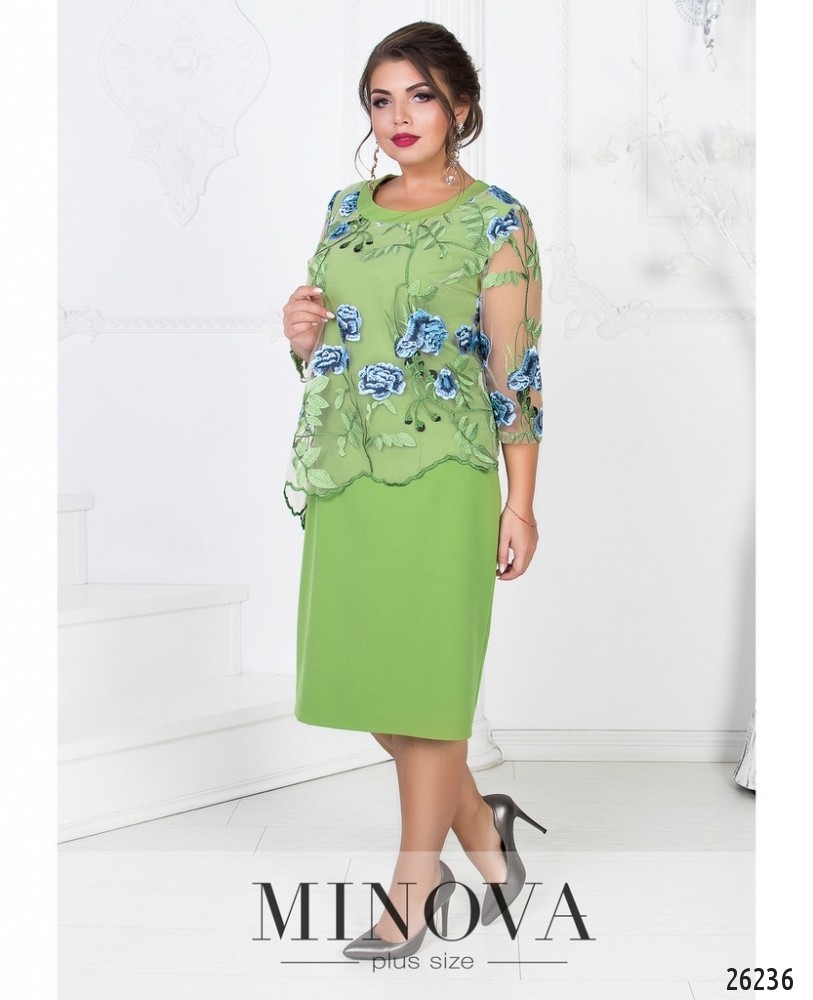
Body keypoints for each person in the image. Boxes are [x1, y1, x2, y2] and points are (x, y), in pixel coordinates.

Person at [281, 21, 548, 959]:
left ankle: (413, 886)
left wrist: (519, 502)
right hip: (348, 474)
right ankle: (480, 825)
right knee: (371, 686)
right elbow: (339, 348)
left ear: (460, 107)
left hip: (445, 477)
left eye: (420, 96)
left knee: (427, 690)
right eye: (380, 99)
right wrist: (304, 339)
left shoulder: (497, 219)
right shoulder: (344, 210)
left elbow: (515, 375)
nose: (398, 116)